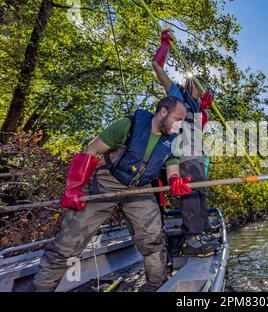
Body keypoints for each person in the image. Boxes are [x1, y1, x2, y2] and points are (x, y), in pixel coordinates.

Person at [31, 96, 191, 292]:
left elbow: (171, 163)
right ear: (163, 112)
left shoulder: (173, 139)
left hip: (140, 188)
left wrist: (175, 179)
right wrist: (74, 186)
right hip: (106, 183)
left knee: (153, 239)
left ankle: (156, 285)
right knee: (68, 244)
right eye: (178, 118)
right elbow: (91, 150)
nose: (180, 125)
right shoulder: (126, 125)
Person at [152, 29, 219, 257]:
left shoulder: (198, 107)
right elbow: (158, 67)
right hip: (182, 153)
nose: (201, 91)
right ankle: (192, 239)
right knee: (191, 193)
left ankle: (201, 230)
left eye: (203, 88)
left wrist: (204, 111)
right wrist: (165, 46)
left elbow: (199, 131)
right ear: (190, 84)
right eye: (198, 86)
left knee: (201, 193)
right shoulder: (178, 95)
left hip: (198, 154)